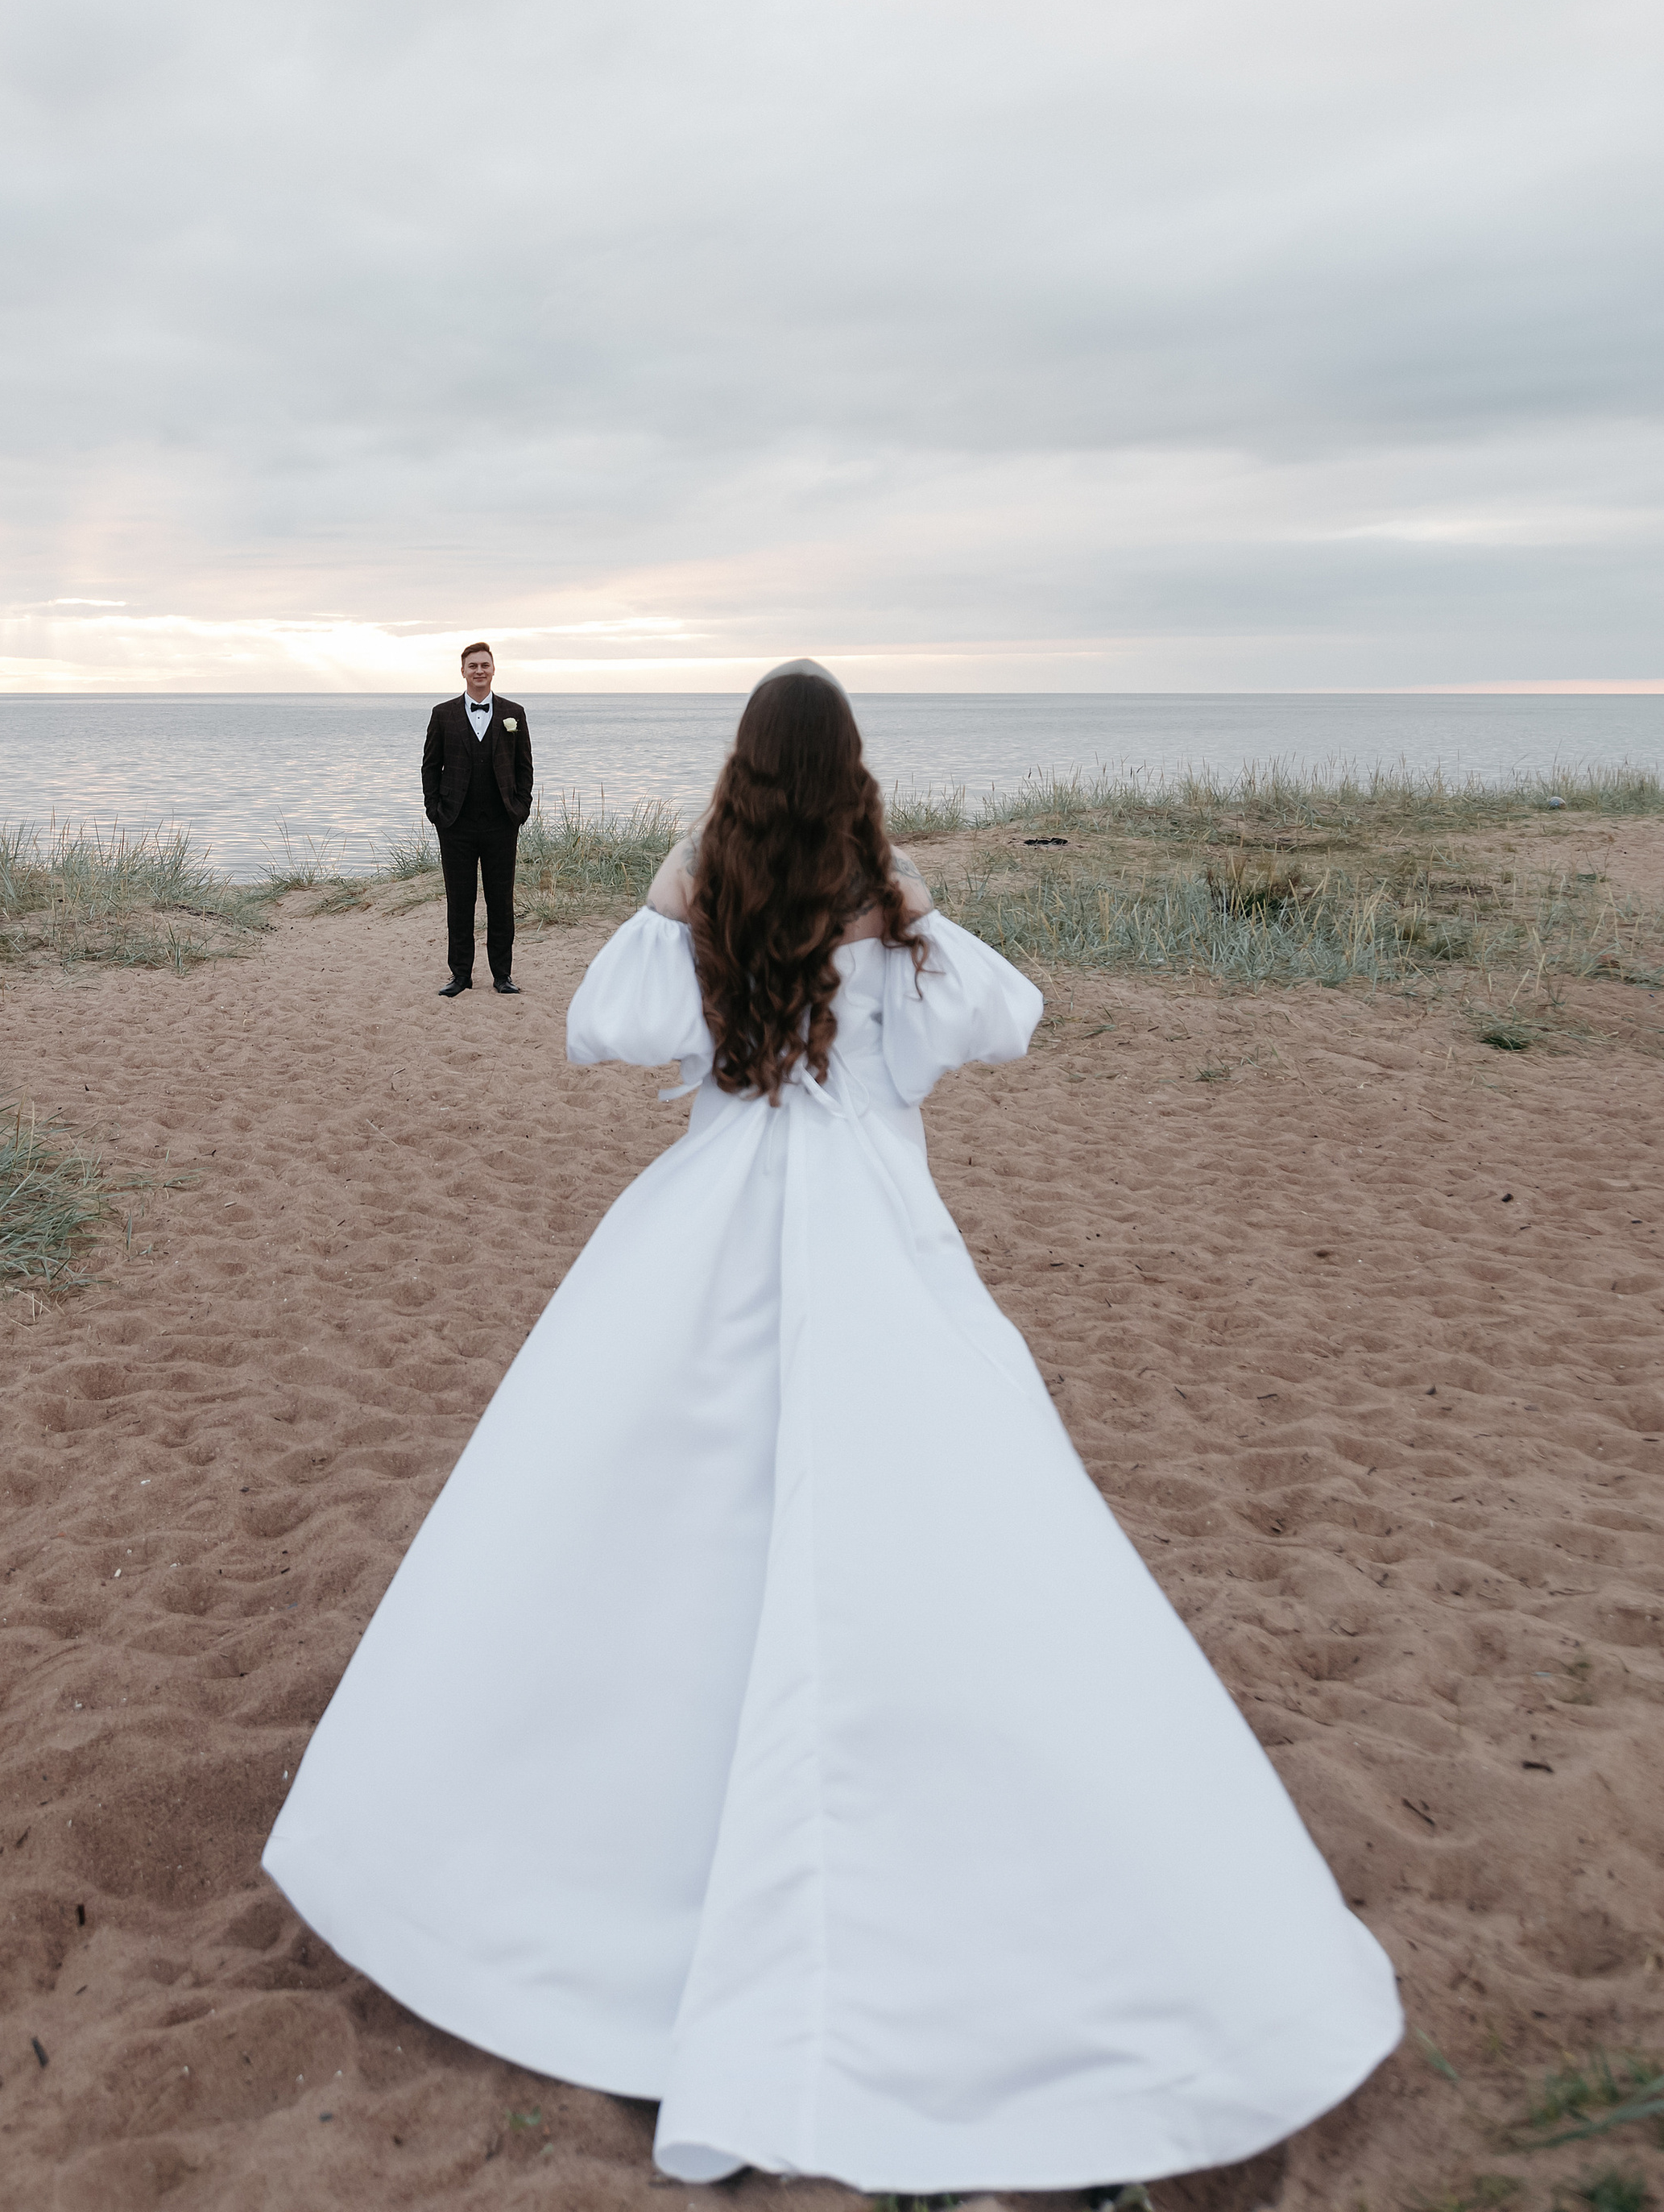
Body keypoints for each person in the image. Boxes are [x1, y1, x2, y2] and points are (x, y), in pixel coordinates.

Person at [265, 662, 1401, 2192]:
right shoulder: (893, 937)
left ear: (739, 778)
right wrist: (905, 891)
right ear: (855, 780)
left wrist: (678, 881)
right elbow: (1010, 1015)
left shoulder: (714, 915)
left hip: (717, 1223)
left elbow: (598, 1024)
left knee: (657, 1530)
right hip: (874, 1232)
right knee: (932, 1527)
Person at [420, 640, 533, 996]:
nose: (479, 671)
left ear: (493, 669)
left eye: (485, 665)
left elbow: (524, 766)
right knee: (460, 902)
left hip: (502, 823)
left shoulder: (514, 713)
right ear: (463, 671)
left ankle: (503, 975)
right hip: (456, 824)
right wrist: (435, 811)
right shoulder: (443, 714)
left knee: (501, 902)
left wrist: (520, 808)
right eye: (473, 666)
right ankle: (460, 976)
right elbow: (430, 766)